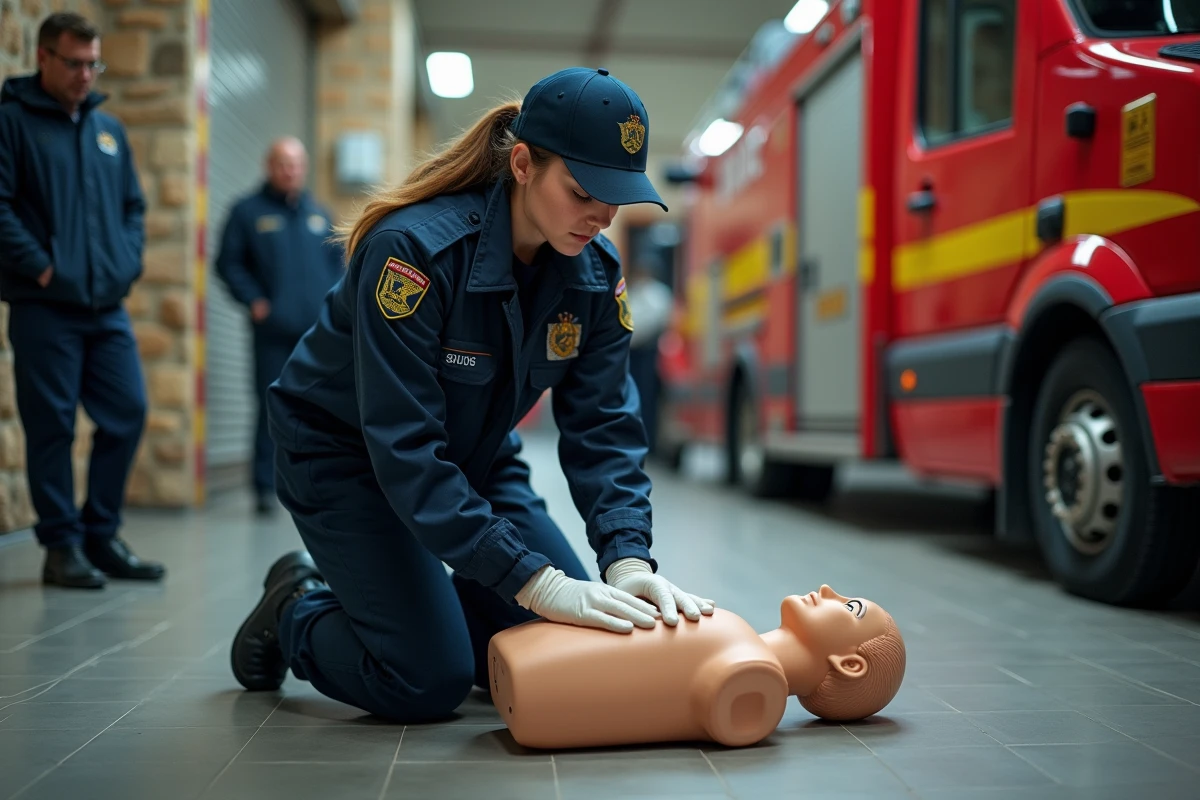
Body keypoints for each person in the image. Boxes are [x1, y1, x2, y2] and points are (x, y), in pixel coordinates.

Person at [230, 66, 715, 723]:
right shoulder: (414, 254)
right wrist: (532, 579)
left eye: (617, 199)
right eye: (582, 192)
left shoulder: (594, 278)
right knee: (427, 678)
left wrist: (627, 558)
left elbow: (603, 428)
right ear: (522, 164)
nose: (602, 218)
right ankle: (298, 606)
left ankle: (418, 606)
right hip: (347, 460)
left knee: (572, 638)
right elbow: (402, 446)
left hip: (475, 457)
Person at [0, 12, 164, 589]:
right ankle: (61, 547)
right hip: (44, 307)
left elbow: (132, 209)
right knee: (53, 427)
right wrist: (43, 269)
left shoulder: (108, 131)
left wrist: (126, 262)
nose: (86, 75)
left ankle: (101, 534)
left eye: (94, 64)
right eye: (74, 63)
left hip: (105, 306)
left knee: (128, 412)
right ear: (43, 57)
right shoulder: (12, 123)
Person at [214, 137, 345, 515]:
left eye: (296, 163)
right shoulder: (247, 212)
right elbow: (228, 264)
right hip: (272, 332)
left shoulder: (319, 215)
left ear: (304, 168)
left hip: (316, 334)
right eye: (282, 163)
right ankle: (264, 488)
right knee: (271, 406)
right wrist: (255, 302)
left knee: (318, 410)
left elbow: (339, 267)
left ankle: (312, 485)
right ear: (268, 166)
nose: (290, 170)